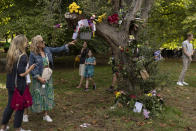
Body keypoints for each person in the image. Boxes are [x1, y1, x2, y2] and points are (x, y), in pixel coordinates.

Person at [29, 35, 75, 122]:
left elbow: (58, 49)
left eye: (43, 41)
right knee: (39, 95)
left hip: (48, 76)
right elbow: (31, 67)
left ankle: (45, 114)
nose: (44, 43)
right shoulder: (32, 54)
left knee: (47, 94)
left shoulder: (47, 49)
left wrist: (67, 45)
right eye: (42, 41)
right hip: (38, 77)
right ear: (37, 44)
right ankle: (33, 111)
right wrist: (39, 78)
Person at [0, 35, 35, 131]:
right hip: (19, 85)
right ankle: (18, 128)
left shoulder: (11, 55)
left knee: (10, 105)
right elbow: (21, 74)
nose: (27, 44)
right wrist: (30, 69)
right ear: (21, 43)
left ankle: (3, 127)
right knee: (20, 106)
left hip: (10, 84)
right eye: (26, 42)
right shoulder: (22, 56)